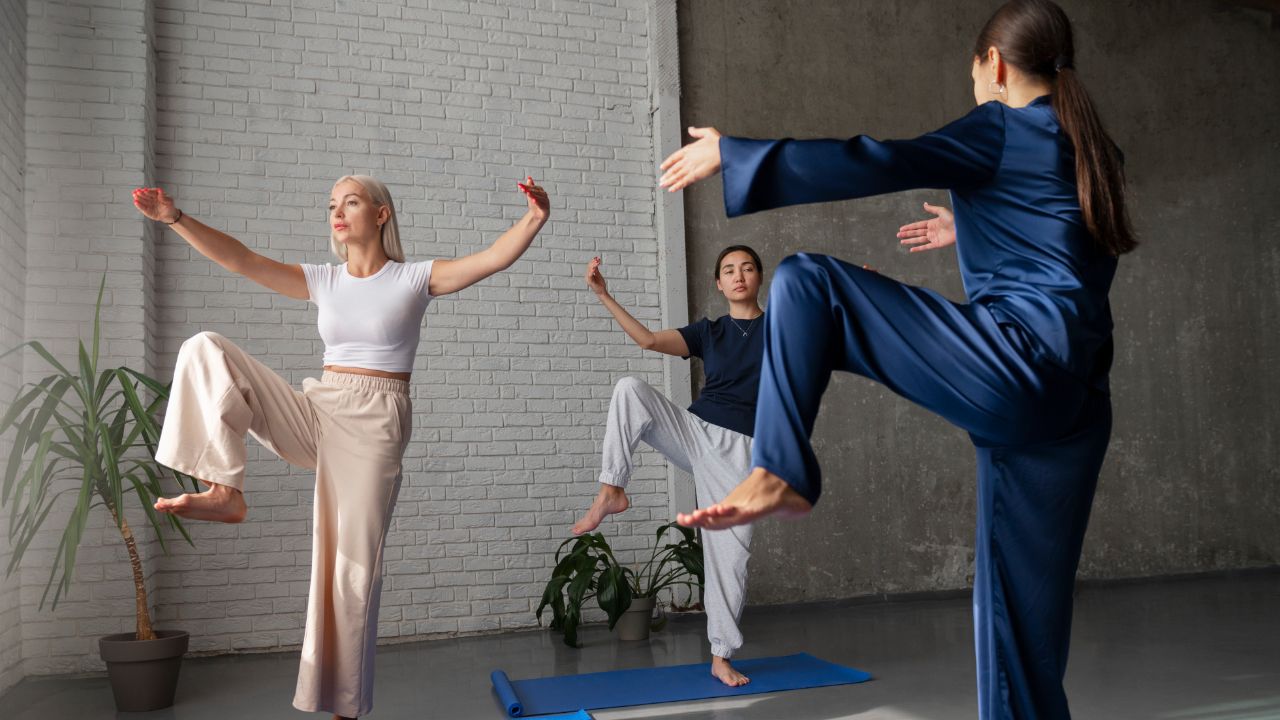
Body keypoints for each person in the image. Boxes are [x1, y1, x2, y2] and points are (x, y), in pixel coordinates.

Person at [658, 0, 1135, 717]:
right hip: (1075, 408)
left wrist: (738, 153)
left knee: (808, 284)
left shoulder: (1000, 125)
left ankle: (782, 469)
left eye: (974, 72)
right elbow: (1063, 246)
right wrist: (970, 225)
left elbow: (881, 158)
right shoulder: (1091, 145)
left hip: (1016, 368)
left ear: (994, 65)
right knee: (1023, 641)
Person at [131, 174, 550, 720]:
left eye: (350, 201)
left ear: (380, 214)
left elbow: (492, 257)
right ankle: (224, 488)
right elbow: (243, 260)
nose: (337, 210)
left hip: (376, 422)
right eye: (332, 203)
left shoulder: (413, 277)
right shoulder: (325, 279)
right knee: (206, 349)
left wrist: (535, 217)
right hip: (322, 406)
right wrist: (175, 219)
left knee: (351, 569)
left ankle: (344, 710)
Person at [572, 245, 767, 687]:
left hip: (742, 453)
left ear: (759, 277)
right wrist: (604, 295)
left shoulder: (780, 328)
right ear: (719, 283)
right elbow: (647, 340)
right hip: (696, 431)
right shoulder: (709, 331)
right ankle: (612, 490)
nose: (738, 276)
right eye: (729, 271)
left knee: (730, 558)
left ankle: (721, 656)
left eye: (748, 268)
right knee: (630, 388)